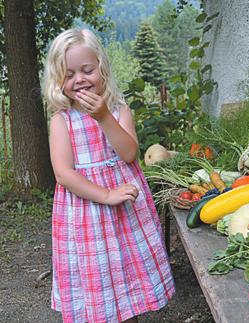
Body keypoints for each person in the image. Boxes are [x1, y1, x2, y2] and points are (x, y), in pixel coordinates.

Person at [43, 28, 175, 323]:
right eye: (68, 74)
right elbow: (64, 174)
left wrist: (103, 117)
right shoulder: (61, 121)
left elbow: (129, 153)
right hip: (87, 213)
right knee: (98, 280)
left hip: (127, 216)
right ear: (58, 81)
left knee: (129, 273)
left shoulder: (117, 110)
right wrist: (105, 195)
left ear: (101, 68)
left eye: (87, 70)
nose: (79, 79)